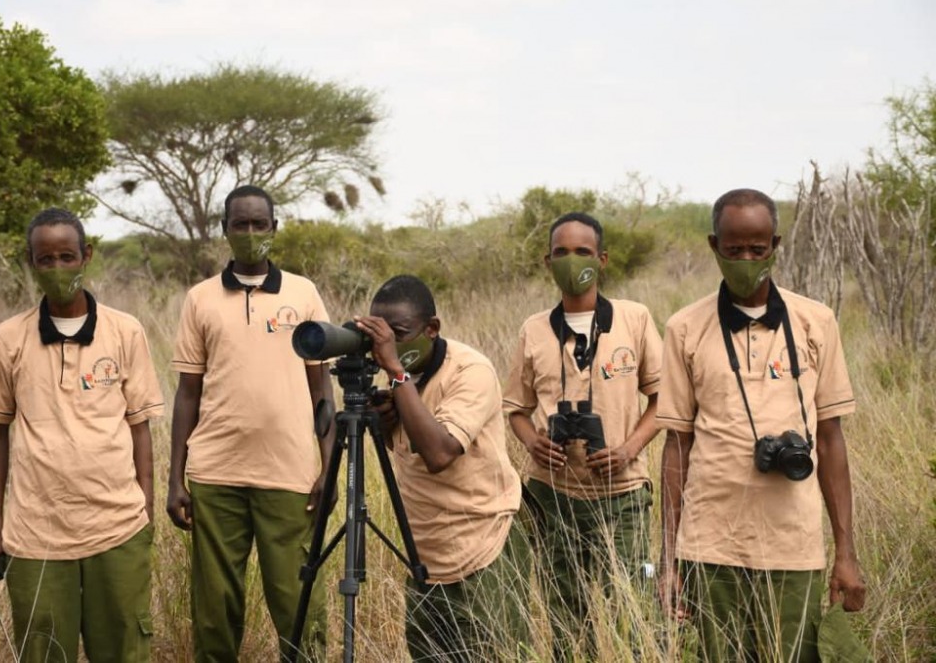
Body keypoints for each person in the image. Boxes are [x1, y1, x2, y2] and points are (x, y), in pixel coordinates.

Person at [657, 188, 866, 662]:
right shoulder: (685, 328)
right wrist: (669, 561)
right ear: (714, 246)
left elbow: (831, 441)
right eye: (734, 250)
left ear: (776, 244)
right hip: (711, 543)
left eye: (758, 248)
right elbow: (676, 448)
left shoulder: (817, 322)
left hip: (794, 541)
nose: (747, 259)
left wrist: (845, 553)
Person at [0, 208, 163, 662]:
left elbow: (140, 428)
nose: (58, 269)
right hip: (36, 534)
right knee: (44, 650)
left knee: (124, 649)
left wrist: (145, 511)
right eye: (46, 260)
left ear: (86, 256)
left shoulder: (125, 331)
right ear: (31, 263)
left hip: (117, 529)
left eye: (67, 256)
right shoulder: (9, 338)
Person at [167, 185, 335, 661]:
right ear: (224, 231)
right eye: (239, 224)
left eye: (259, 223)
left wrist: (329, 466)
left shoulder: (303, 293)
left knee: (297, 601)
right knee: (214, 608)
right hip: (215, 474)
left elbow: (322, 389)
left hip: (290, 475)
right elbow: (187, 395)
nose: (250, 233)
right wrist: (174, 477)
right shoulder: (200, 299)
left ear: (274, 229)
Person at [503, 212, 662, 660]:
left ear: (603, 259)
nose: (572, 262)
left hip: (623, 492)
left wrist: (628, 450)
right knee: (565, 616)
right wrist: (532, 440)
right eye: (561, 253)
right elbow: (515, 409)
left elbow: (663, 401)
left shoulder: (634, 319)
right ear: (548, 261)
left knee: (631, 609)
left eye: (583, 252)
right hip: (553, 494)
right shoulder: (534, 329)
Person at [354, 274, 530, 662]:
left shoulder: (470, 371)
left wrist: (395, 371)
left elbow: (439, 454)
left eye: (399, 334)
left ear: (431, 329)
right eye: (379, 338)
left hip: (483, 547)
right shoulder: (402, 379)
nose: (388, 348)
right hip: (424, 557)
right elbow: (404, 446)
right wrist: (387, 419)